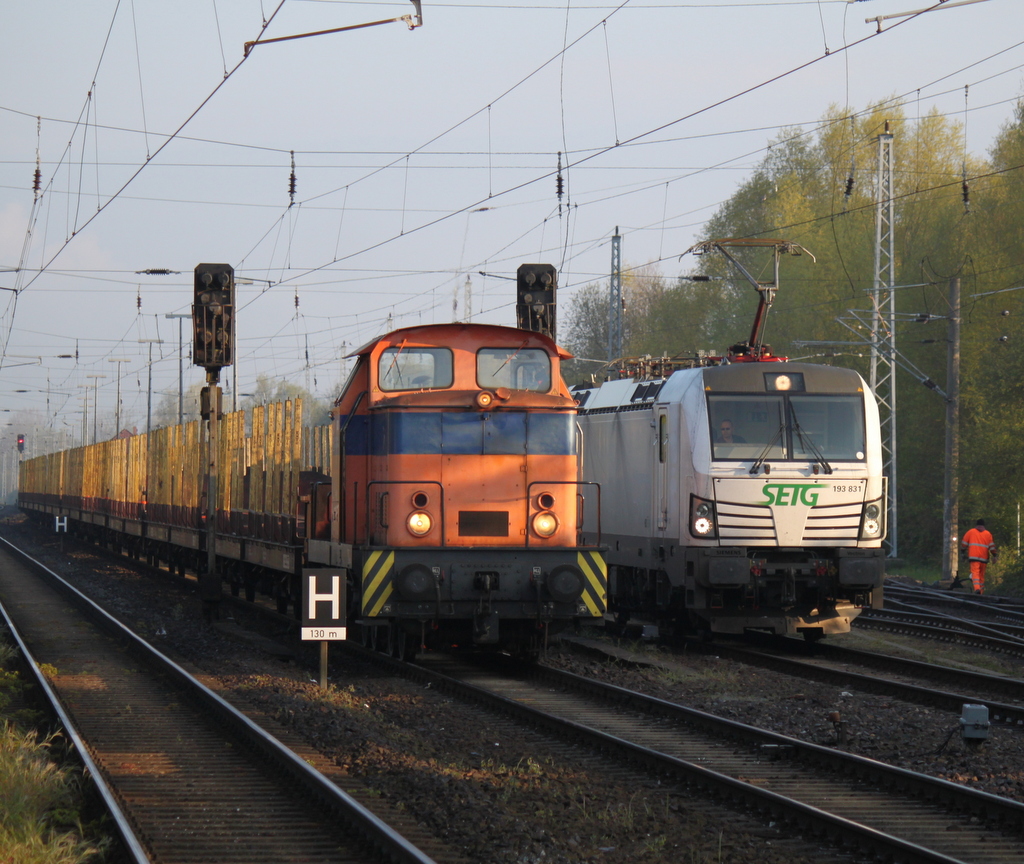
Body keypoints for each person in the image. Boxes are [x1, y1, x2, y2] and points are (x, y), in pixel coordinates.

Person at [961, 519, 997, 595]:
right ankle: (981, 592)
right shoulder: (988, 534)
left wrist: (962, 552)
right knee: (981, 576)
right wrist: (995, 555)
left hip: (974, 557)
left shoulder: (971, 532)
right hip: (984, 558)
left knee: (975, 574)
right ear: (984, 526)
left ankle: (977, 589)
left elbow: (964, 543)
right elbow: (992, 547)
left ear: (976, 525)